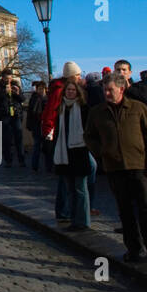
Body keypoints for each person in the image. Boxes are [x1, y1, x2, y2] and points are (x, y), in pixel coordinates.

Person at [85, 72, 147, 263]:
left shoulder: (138, 108)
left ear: (121, 89)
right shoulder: (97, 112)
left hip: (139, 165)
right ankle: (134, 249)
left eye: (110, 90)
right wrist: (102, 152)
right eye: (104, 89)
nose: (106, 93)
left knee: (146, 208)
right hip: (115, 167)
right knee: (125, 210)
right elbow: (90, 137)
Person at [49, 77, 92, 230]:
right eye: (68, 90)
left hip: (79, 151)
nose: (71, 92)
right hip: (64, 152)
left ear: (77, 92)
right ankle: (74, 219)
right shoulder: (61, 108)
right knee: (69, 189)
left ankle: (83, 221)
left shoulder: (83, 108)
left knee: (80, 188)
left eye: (73, 90)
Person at [1, 77, 25, 167]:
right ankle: (8, 160)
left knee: (18, 137)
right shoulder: (0, 86)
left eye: (10, 76)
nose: (9, 79)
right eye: (7, 76)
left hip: (16, 115)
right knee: (7, 139)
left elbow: (22, 99)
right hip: (5, 115)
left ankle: (21, 160)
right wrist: (5, 93)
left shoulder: (16, 86)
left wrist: (17, 93)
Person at [26, 82, 49, 171]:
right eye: (39, 89)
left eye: (42, 89)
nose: (41, 91)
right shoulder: (35, 98)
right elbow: (31, 112)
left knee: (46, 146)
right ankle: (35, 165)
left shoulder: (47, 98)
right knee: (37, 145)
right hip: (37, 124)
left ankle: (47, 166)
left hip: (44, 124)